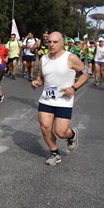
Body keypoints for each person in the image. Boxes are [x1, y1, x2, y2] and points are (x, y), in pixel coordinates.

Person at [31, 32, 89, 165]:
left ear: (62, 43)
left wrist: (73, 88)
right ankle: (54, 153)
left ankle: (72, 135)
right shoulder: (43, 59)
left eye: (55, 42)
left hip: (64, 100)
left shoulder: (71, 58)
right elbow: (41, 77)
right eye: (49, 42)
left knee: (60, 132)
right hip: (46, 99)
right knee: (45, 127)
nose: (51, 44)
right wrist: (37, 82)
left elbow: (86, 74)